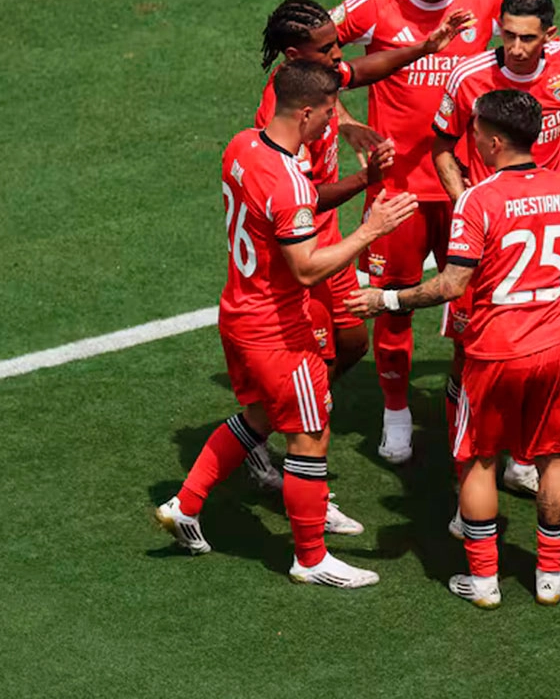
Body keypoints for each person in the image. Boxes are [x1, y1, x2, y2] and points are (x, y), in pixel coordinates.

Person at [154, 61, 418, 588]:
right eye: (328, 113)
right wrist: (371, 229)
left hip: (238, 313)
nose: (332, 123)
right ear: (305, 112)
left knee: (258, 416)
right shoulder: (288, 181)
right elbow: (307, 268)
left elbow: (293, 206)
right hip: (279, 332)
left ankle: (186, 503)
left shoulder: (242, 147)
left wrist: (364, 180)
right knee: (310, 438)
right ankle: (311, 558)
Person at [347, 90, 560, 608]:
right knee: (554, 458)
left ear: (494, 142)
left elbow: (452, 284)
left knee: (479, 459)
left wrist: (387, 299)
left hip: (495, 348)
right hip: (554, 344)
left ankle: (483, 581)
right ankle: (549, 577)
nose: (469, 139)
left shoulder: (479, 200)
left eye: (475, 131)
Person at [240, 0, 472, 509]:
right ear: (294, 55)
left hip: (328, 238)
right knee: (313, 362)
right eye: (327, 48)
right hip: (302, 248)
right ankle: (269, 438)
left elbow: (365, 70)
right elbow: (303, 199)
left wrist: (424, 47)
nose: (337, 53)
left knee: (351, 342)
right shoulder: (281, 114)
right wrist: (365, 182)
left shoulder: (316, 78)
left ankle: (272, 420)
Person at [333, 0, 508, 463]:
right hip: (398, 191)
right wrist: (343, 120)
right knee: (393, 303)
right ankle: (395, 413)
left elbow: (537, 50)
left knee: (477, 306)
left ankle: (472, 407)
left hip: (467, 189)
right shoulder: (375, 4)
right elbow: (309, 54)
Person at [432, 0, 560, 499]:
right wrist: (467, 202)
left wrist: (553, 191)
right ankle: (464, 462)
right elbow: (441, 146)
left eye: (528, 38)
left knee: (540, 348)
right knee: (466, 355)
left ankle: (522, 461)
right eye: (508, 35)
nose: (517, 48)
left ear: (551, 35)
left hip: (537, 234)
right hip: (483, 236)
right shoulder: (469, 76)